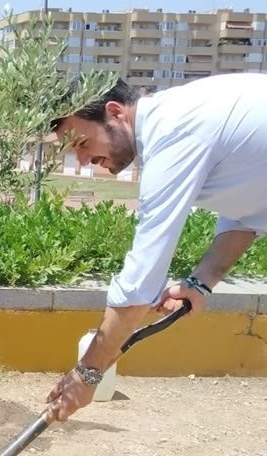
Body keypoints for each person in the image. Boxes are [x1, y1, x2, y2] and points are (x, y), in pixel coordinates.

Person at [44, 73, 267, 423]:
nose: (83, 161)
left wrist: (87, 374)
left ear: (115, 112)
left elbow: (139, 283)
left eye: (82, 143)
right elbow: (245, 217)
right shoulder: (184, 119)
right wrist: (198, 282)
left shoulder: (174, 131)